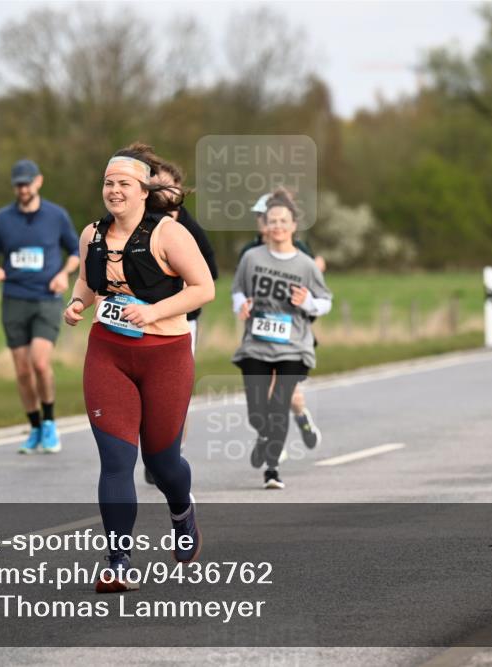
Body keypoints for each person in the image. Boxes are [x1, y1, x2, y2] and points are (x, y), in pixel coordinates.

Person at [63, 144, 214, 592]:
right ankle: (118, 560)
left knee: (162, 461)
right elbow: (89, 281)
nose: (114, 191)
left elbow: (203, 287)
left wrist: (153, 312)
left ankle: (181, 510)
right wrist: (77, 302)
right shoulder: (91, 234)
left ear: (144, 191)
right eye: (108, 183)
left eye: (123, 184)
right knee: (116, 460)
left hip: (165, 354)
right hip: (108, 353)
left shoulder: (169, 234)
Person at [232, 190, 332, 490]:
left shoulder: (305, 263)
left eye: (283, 221)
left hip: (293, 345)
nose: (277, 226)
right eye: (272, 221)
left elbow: (325, 301)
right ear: (265, 224)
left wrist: (307, 303)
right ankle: (263, 435)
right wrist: (242, 305)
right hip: (256, 344)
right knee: (256, 410)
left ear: (293, 225)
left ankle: (272, 468)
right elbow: (237, 290)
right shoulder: (250, 257)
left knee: (279, 404)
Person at [0, 160, 79, 454]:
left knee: (40, 362)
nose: (23, 188)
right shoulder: (2, 219)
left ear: (39, 182)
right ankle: (34, 426)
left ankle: (50, 424)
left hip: (47, 298)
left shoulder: (56, 216)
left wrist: (64, 274)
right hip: (14, 298)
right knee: (22, 370)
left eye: (27, 183)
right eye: (18, 184)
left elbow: (75, 251)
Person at [141, 157, 219, 486]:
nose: (164, 192)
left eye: (170, 186)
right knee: (145, 391)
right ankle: (152, 450)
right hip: (143, 320)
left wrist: (180, 291)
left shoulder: (189, 228)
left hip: (184, 321)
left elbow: (209, 276)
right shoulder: (140, 223)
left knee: (175, 392)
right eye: (157, 186)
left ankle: (172, 452)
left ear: (179, 191)